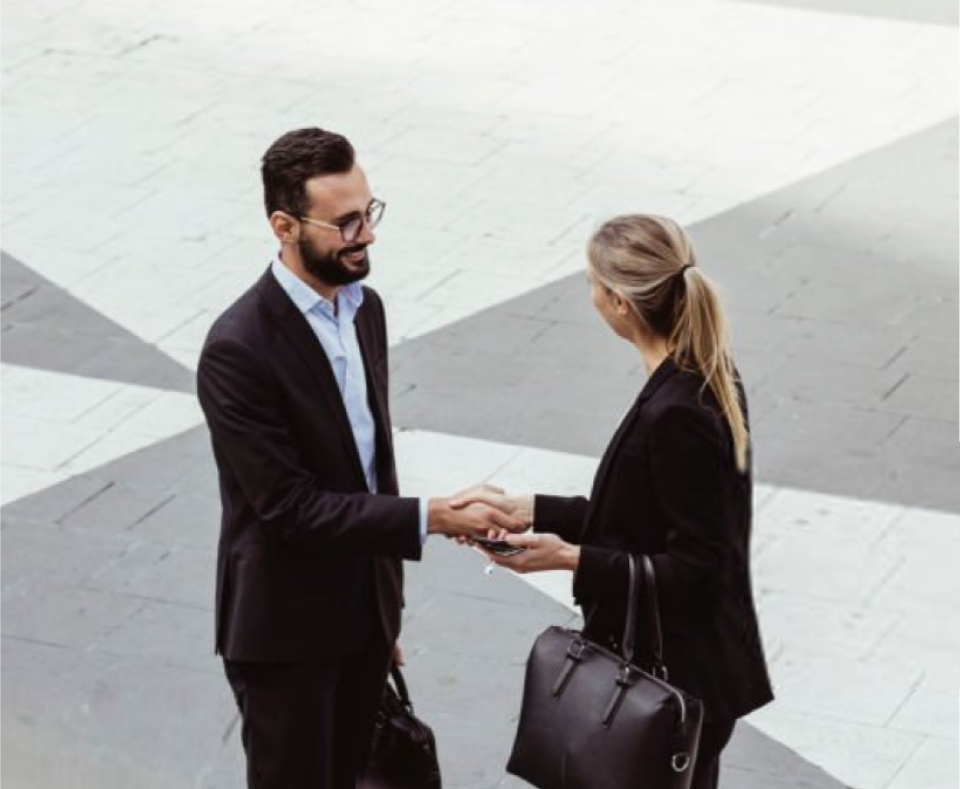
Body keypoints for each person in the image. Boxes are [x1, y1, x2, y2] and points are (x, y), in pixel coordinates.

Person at [196, 127, 524, 789]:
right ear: (284, 226)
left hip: (362, 619)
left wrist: (380, 612)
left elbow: (369, 467)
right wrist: (433, 516)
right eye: (345, 223)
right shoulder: (238, 349)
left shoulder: (363, 308)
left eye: (369, 212)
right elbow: (289, 508)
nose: (366, 234)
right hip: (286, 636)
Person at [456, 214, 774, 789]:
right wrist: (529, 510)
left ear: (620, 303)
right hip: (684, 673)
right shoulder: (699, 376)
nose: (593, 297)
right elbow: (644, 518)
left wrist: (566, 557)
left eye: (593, 284)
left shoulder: (677, 411)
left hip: (674, 684)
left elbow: (700, 566)